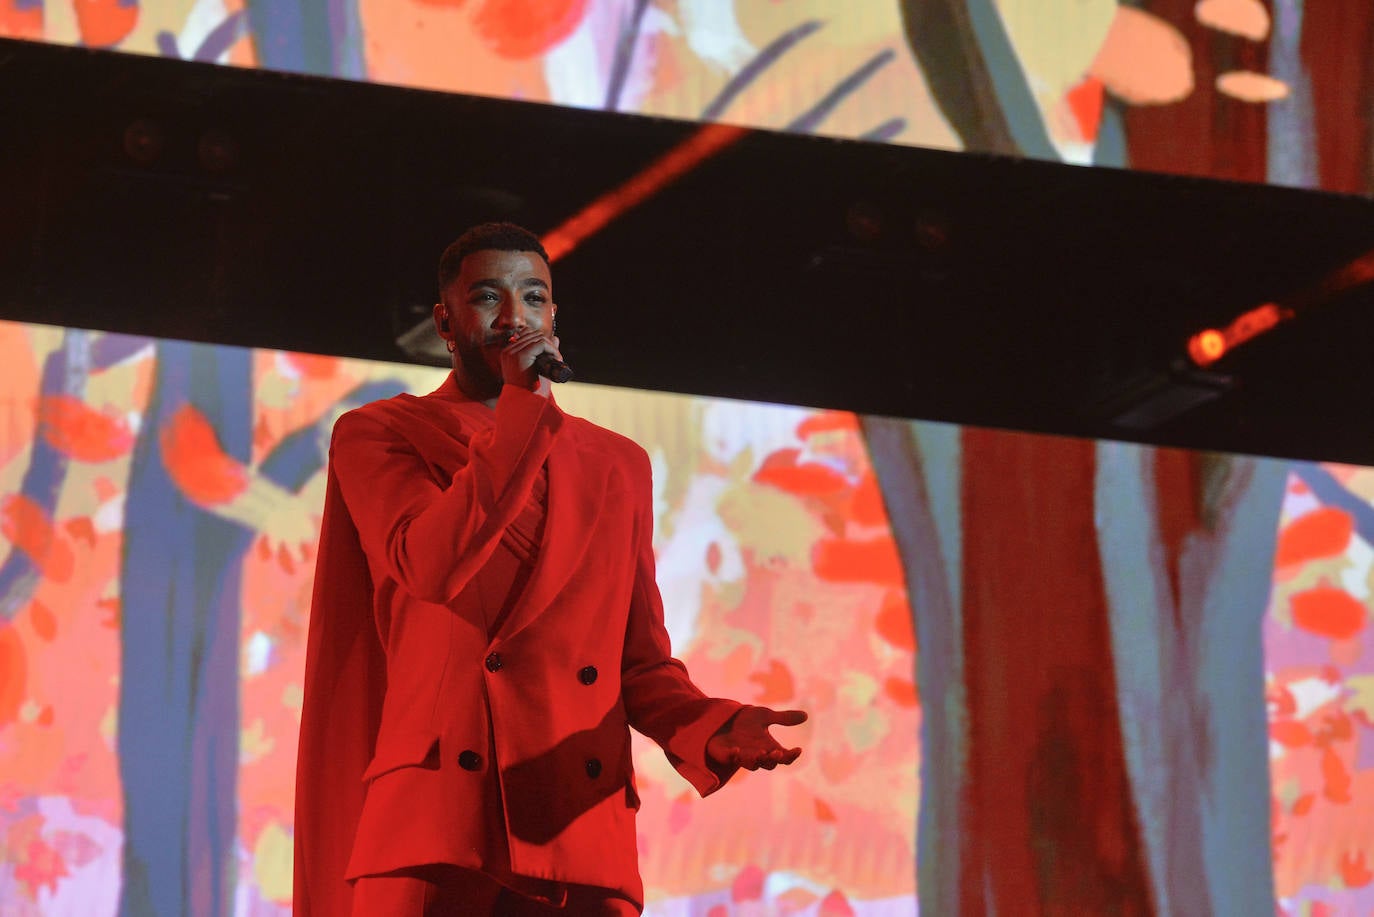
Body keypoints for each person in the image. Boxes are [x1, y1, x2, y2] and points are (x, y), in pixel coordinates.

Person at [294, 222, 807, 915]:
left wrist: (712, 725)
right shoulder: (382, 433)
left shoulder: (615, 463)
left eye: (533, 297)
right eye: (488, 297)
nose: (515, 317)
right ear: (445, 321)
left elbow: (638, 662)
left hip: (576, 827)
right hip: (438, 825)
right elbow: (431, 563)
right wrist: (522, 411)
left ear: (554, 318)